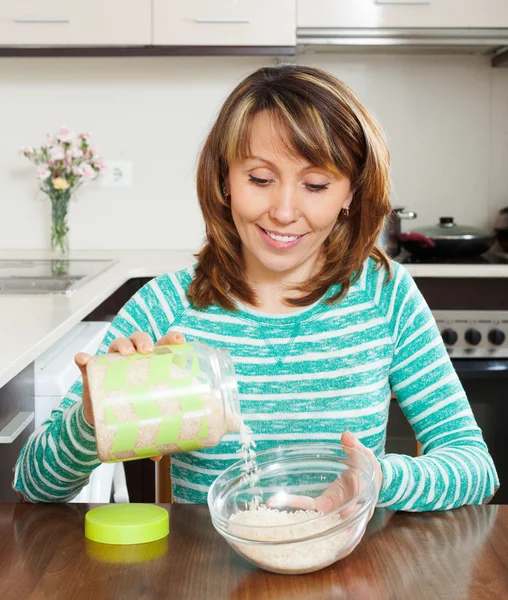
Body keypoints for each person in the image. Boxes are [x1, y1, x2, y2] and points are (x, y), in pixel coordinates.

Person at [13, 65, 498, 511]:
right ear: (225, 179)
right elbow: (32, 483)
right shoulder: (167, 306)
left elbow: (476, 466)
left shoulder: (385, 296)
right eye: (261, 178)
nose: (285, 211)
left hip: (349, 564)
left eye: (316, 185)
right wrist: (93, 420)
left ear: (351, 192)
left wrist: (378, 481)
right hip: (208, 572)